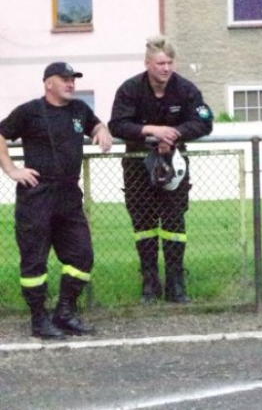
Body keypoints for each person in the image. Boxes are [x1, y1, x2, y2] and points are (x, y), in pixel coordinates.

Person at [0, 62, 113, 339]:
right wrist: (12, 169)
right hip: (37, 195)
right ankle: (39, 320)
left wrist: (102, 129)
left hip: (68, 195)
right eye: (64, 79)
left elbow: (95, 124)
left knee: (82, 255)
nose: (71, 83)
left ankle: (64, 313)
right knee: (34, 261)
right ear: (48, 83)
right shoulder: (30, 111)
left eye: (73, 79)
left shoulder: (79, 110)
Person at [109, 36, 213, 304]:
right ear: (147, 64)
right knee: (143, 225)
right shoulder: (130, 89)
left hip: (174, 166)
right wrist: (151, 131)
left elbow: (204, 122)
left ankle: (176, 284)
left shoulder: (186, 89)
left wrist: (175, 134)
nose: (165, 68)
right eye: (159, 63)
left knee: (174, 223)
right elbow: (117, 125)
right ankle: (149, 283)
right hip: (137, 167)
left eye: (169, 62)